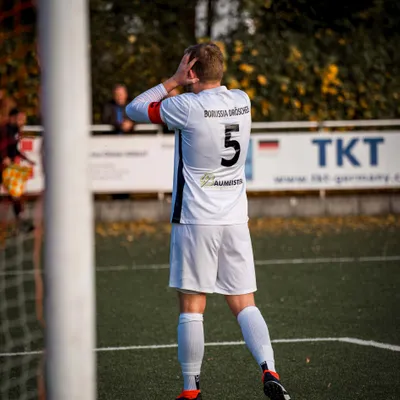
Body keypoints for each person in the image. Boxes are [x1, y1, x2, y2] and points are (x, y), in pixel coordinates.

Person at [125, 43, 291, 400]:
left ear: (192, 71)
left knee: (192, 307)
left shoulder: (186, 106)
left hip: (195, 220)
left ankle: (191, 391)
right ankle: (270, 370)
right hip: (235, 219)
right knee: (245, 303)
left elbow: (134, 108)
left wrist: (174, 80)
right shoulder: (242, 100)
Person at [0, 108, 35, 232]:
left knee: (15, 192)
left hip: (7, 167)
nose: (22, 122)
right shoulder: (4, 129)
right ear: (13, 118)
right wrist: (4, 157)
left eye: (23, 119)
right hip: (3, 165)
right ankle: (21, 220)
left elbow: (14, 149)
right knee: (14, 193)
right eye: (20, 119)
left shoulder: (16, 131)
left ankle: (21, 220)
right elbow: (2, 146)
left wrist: (26, 159)